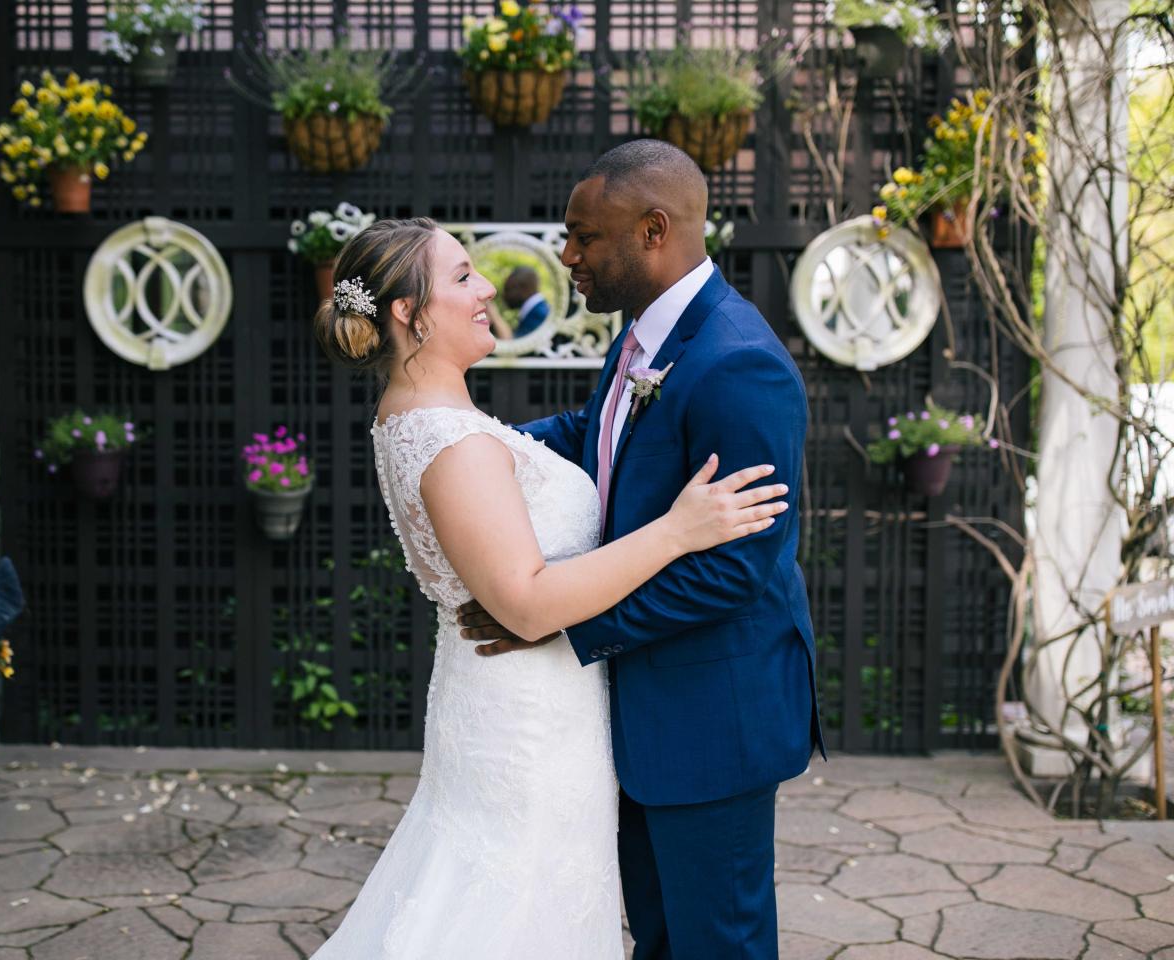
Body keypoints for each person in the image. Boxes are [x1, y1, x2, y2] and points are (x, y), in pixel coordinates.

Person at [308, 214, 789, 959]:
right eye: (462, 275)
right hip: (526, 725)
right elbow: (527, 604)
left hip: (521, 708)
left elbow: (556, 441)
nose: (487, 286)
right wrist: (677, 530)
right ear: (409, 312)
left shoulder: (431, 424)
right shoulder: (455, 444)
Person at [460, 139, 825, 959]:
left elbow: (734, 570)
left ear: (653, 230)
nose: (568, 256)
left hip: (712, 717)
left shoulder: (739, 365)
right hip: (647, 713)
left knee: (717, 945)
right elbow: (598, 435)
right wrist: (467, 444)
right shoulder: (647, 336)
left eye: (584, 236)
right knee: (661, 941)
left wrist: (560, 622)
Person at [503, 264, 550, 338]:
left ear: (524, 288)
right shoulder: (533, 312)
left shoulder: (539, 315)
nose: (504, 296)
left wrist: (494, 314)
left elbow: (515, 342)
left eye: (508, 289)